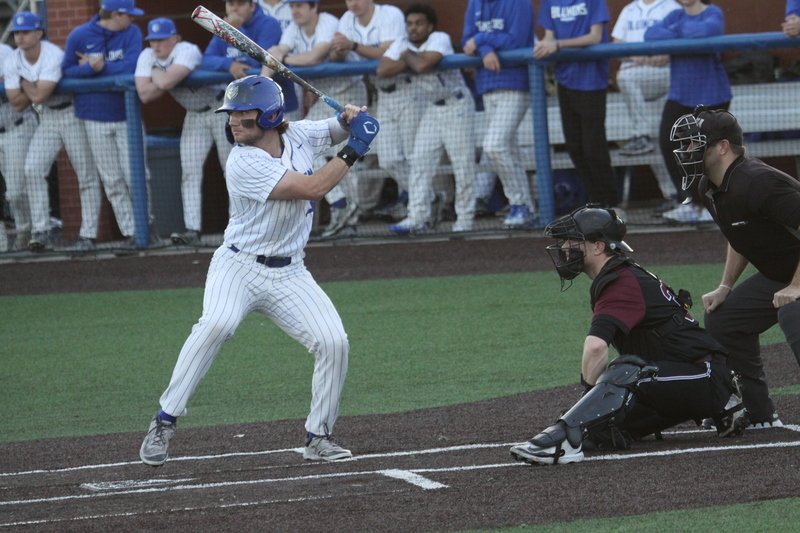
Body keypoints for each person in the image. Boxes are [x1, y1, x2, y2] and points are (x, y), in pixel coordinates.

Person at [139, 75, 379, 466]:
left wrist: (354, 118)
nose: (232, 122)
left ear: (270, 116)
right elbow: (314, 187)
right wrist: (357, 146)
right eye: (230, 114)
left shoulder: (300, 134)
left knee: (334, 342)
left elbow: (340, 127)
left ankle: (318, 437)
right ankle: (164, 421)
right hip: (238, 266)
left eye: (242, 115)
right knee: (217, 324)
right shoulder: (242, 161)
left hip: (290, 272)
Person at [509, 205, 743, 466]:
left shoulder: (621, 282)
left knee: (626, 372)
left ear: (598, 246)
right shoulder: (619, 275)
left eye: (572, 241)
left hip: (704, 376)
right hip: (677, 376)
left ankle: (565, 441)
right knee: (601, 428)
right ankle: (725, 408)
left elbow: (596, 347)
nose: (564, 248)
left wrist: (588, 399)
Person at [670, 106, 800, 429]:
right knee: (723, 318)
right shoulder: (708, 188)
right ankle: (760, 414)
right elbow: (738, 234)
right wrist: (725, 287)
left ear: (723, 147)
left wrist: (797, 285)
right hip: (782, 275)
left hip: (794, 277)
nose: (687, 151)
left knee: (792, 312)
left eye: (695, 143)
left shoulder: (758, 183)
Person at [265, 0, 368, 237]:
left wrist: (284, 60)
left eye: (301, 6)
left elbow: (313, 57)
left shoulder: (328, 23)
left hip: (349, 95)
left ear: (314, 8)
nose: (295, 11)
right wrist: (278, 55)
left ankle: (351, 217)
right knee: (299, 146)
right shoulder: (294, 28)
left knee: (346, 154)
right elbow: (279, 50)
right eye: (292, 6)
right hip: (325, 97)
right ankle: (341, 204)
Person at [5, 12, 102, 252]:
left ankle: (88, 235)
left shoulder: (53, 54)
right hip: (46, 117)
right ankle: (41, 230)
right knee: (32, 170)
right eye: (17, 33)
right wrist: (33, 87)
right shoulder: (12, 59)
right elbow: (16, 104)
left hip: (71, 114)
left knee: (86, 175)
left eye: (26, 32)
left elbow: (37, 95)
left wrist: (24, 82)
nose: (20, 37)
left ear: (39, 33)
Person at [380, 3, 477, 234]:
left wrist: (405, 56)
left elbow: (423, 65)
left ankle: (465, 219)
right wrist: (409, 56)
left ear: (430, 26)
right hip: (432, 109)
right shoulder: (403, 43)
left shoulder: (439, 38)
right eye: (410, 24)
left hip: (457, 105)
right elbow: (382, 70)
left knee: (462, 165)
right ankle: (417, 216)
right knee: (419, 161)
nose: (413, 28)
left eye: (419, 23)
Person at [135, 17, 233, 246]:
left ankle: (236, 227)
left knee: (231, 171)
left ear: (175, 39)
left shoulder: (186, 50)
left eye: (162, 40)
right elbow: (144, 95)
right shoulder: (146, 55)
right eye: (153, 40)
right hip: (194, 115)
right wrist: (161, 76)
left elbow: (167, 82)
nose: (156, 45)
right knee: (189, 171)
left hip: (219, 108)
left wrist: (156, 73)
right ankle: (192, 229)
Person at [62, 0, 147, 248]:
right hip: (93, 116)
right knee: (112, 180)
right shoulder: (80, 34)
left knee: (138, 176)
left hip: (127, 115)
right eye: (128, 15)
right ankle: (131, 232)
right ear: (116, 14)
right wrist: (89, 68)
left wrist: (99, 67)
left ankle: (146, 228)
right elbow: (66, 70)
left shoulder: (132, 33)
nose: (132, 19)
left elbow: (132, 67)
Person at [645, 0, 730, 224]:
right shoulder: (674, 15)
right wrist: (681, 32)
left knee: (709, 153)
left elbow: (703, 31)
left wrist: (674, 33)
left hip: (712, 95)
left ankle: (713, 206)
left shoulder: (713, 13)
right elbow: (650, 34)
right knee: (668, 142)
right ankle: (689, 202)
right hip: (680, 95)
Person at [329, 0, 409, 237]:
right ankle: (426, 199)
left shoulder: (390, 14)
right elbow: (337, 59)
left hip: (409, 89)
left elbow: (388, 54)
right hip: (382, 94)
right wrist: (338, 51)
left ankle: (422, 207)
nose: (353, 2)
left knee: (416, 156)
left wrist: (352, 45)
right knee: (389, 159)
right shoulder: (346, 19)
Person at [534, 0, 619, 211]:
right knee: (575, 147)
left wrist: (559, 45)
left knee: (593, 147)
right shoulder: (549, 3)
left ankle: (611, 202)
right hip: (565, 79)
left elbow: (595, 36)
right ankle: (595, 201)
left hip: (592, 80)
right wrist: (545, 45)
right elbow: (549, 36)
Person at [463, 0, 537, 229]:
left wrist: (481, 41)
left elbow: (516, 40)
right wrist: (485, 49)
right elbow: (467, 41)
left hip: (515, 83)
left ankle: (520, 203)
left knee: (494, 146)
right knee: (508, 149)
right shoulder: (475, 3)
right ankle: (526, 208)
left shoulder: (519, 3)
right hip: (487, 83)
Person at [202, 0, 299, 120]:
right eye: (231, 4)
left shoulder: (269, 24)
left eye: (240, 4)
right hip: (242, 106)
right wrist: (229, 64)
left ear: (252, 6)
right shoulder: (224, 28)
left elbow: (257, 62)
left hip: (278, 106)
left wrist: (235, 31)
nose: (235, 9)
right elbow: (206, 60)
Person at [612, 0, 681, 157]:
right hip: (636, 79)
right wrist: (641, 58)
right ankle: (642, 139)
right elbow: (616, 46)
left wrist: (645, 59)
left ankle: (641, 135)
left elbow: (671, 52)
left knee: (625, 76)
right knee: (661, 165)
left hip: (663, 76)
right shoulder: (629, 10)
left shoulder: (672, 7)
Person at [0, 30, 39, 250]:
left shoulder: (4, 52)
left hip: (16, 127)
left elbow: (21, 80)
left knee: (15, 192)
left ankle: (26, 232)